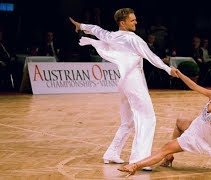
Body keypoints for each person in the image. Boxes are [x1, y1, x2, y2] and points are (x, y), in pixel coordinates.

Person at [69, 8, 179, 170]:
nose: (136, 22)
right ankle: (139, 159)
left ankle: (112, 153)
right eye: (132, 20)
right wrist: (168, 69)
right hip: (134, 83)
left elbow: (97, 30)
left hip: (124, 83)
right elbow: (151, 56)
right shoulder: (133, 39)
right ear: (123, 22)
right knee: (147, 118)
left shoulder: (112, 36)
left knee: (128, 121)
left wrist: (81, 25)